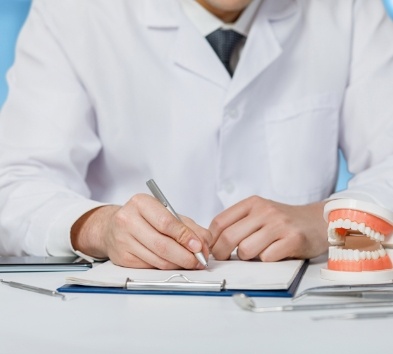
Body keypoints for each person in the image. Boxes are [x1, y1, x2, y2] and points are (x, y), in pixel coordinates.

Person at [0, 0, 393, 270]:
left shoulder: (348, 9)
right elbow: (14, 185)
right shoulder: (74, 13)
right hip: (125, 314)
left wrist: (328, 220)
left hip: (299, 319)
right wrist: (98, 227)